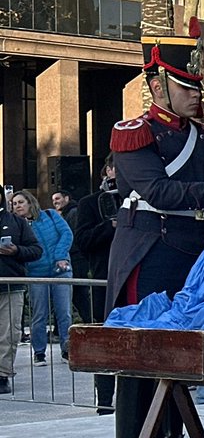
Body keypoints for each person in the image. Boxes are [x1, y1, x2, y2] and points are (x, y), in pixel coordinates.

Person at [107, 35, 204, 438]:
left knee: (177, 351)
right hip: (152, 249)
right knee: (140, 346)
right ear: (157, 84)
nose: (195, 95)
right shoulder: (135, 135)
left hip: (195, 252)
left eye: (196, 87)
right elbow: (158, 191)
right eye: (186, 87)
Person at [73, 156, 119, 412]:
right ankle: (104, 400)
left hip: (132, 277)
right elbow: (82, 240)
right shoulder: (91, 203)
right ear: (107, 170)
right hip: (102, 279)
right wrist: (110, 226)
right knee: (104, 339)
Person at [11, 190, 74, 366]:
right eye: (14, 204)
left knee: (64, 312)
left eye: (20, 202)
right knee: (39, 314)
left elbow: (66, 234)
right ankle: (39, 352)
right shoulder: (18, 226)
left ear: (30, 202)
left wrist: (60, 255)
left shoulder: (51, 215)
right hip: (36, 273)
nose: (17, 206)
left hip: (60, 269)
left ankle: (67, 349)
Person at [0, 197, 42, 395]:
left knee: (9, 333)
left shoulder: (17, 222)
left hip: (11, 285)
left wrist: (16, 250)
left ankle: (2, 374)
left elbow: (36, 250)